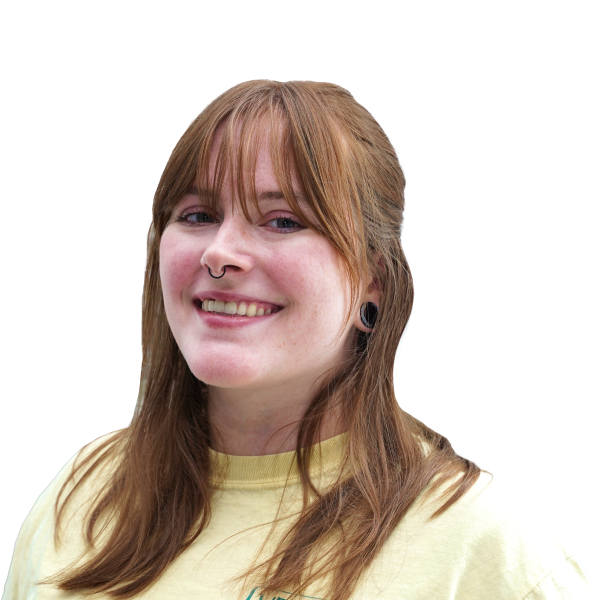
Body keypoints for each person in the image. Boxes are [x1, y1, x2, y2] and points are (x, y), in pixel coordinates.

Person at [3, 80, 596, 600]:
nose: (219, 252)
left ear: (376, 283)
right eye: (196, 215)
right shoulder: (80, 495)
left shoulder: (485, 548)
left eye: (283, 220)